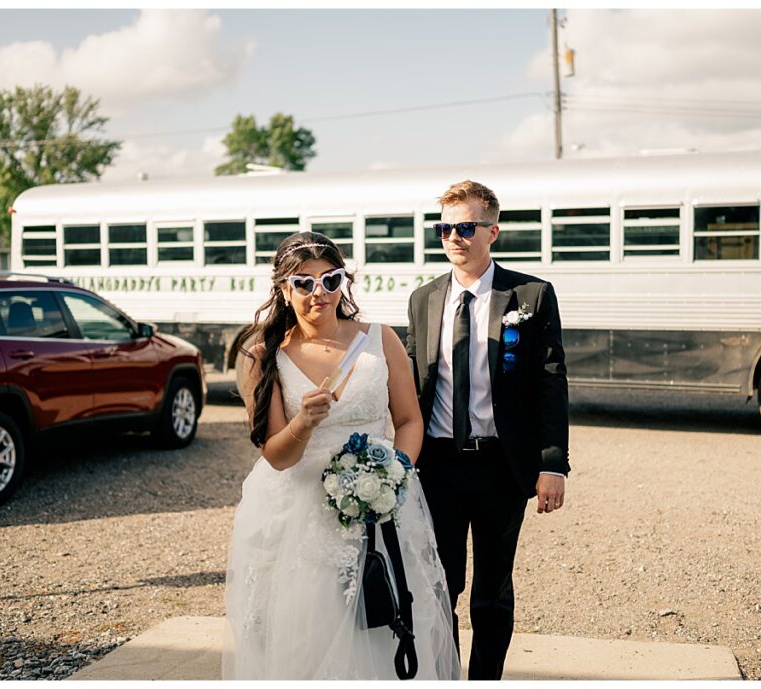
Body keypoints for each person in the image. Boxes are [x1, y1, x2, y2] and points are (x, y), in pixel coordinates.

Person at [222, 232, 460, 680]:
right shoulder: (264, 356)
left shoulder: (380, 339)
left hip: (383, 503)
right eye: (304, 283)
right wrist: (303, 423)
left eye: (330, 281)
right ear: (283, 289)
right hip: (300, 515)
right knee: (310, 627)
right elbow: (276, 455)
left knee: (387, 619)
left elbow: (409, 421)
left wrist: (395, 473)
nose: (319, 294)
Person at [406, 180, 570, 680]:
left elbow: (549, 381)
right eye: (445, 228)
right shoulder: (423, 299)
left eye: (465, 227)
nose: (454, 237)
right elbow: (412, 379)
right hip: (438, 465)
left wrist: (551, 463)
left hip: (502, 465)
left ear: (492, 231)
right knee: (441, 584)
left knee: (492, 591)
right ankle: (447, 675)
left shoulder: (530, 295)